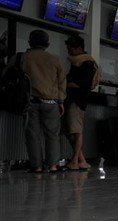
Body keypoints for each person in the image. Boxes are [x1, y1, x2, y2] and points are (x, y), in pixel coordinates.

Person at [21, 30, 66, 173]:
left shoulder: (24, 57)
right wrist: (61, 101)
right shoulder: (55, 60)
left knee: (33, 135)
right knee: (52, 135)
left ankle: (37, 166)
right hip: (51, 103)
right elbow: (61, 82)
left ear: (30, 42)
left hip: (31, 102)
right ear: (47, 44)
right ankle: (53, 166)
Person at [63, 35, 97, 172]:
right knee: (69, 130)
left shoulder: (87, 63)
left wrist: (69, 84)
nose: (69, 52)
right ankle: (81, 160)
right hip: (72, 100)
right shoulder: (76, 62)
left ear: (78, 48)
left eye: (70, 49)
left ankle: (75, 161)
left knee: (76, 131)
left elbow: (84, 84)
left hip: (78, 101)